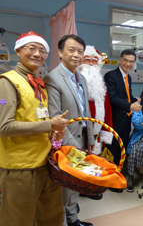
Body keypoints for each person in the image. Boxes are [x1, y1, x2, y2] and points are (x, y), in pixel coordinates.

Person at [0, 31, 69, 226]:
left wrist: (55, 131)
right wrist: (49, 124)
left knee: (52, 215)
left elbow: (35, 119)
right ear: (18, 50)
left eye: (42, 50)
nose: (37, 54)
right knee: (17, 219)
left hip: (45, 162)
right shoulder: (7, 82)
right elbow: (4, 127)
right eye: (31, 48)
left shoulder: (39, 84)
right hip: (21, 166)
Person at [44, 35, 95, 226]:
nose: (76, 55)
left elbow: (86, 111)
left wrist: (90, 138)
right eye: (71, 50)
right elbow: (56, 117)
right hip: (65, 139)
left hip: (82, 136)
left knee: (76, 180)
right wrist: (76, 149)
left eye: (80, 51)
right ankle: (62, 221)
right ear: (60, 52)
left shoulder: (81, 77)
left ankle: (73, 218)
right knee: (64, 183)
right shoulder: (53, 78)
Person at [77, 45, 114, 201]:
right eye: (87, 60)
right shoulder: (75, 82)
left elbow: (107, 109)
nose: (90, 64)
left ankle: (91, 188)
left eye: (94, 60)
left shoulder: (101, 86)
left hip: (97, 131)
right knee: (78, 159)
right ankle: (77, 187)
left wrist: (108, 131)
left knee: (95, 158)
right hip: (79, 130)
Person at [104, 49, 142, 193]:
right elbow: (113, 98)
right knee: (114, 150)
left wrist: (137, 101)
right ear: (120, 59)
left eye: (131, 61)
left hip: (126, 119)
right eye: (126, 60)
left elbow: (127, 96)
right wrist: (129, 105)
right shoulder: (111, 76)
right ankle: (111, 182)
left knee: (123, 149)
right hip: (115, 119)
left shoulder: (128, 77)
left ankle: (118, 177)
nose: (128, 64)